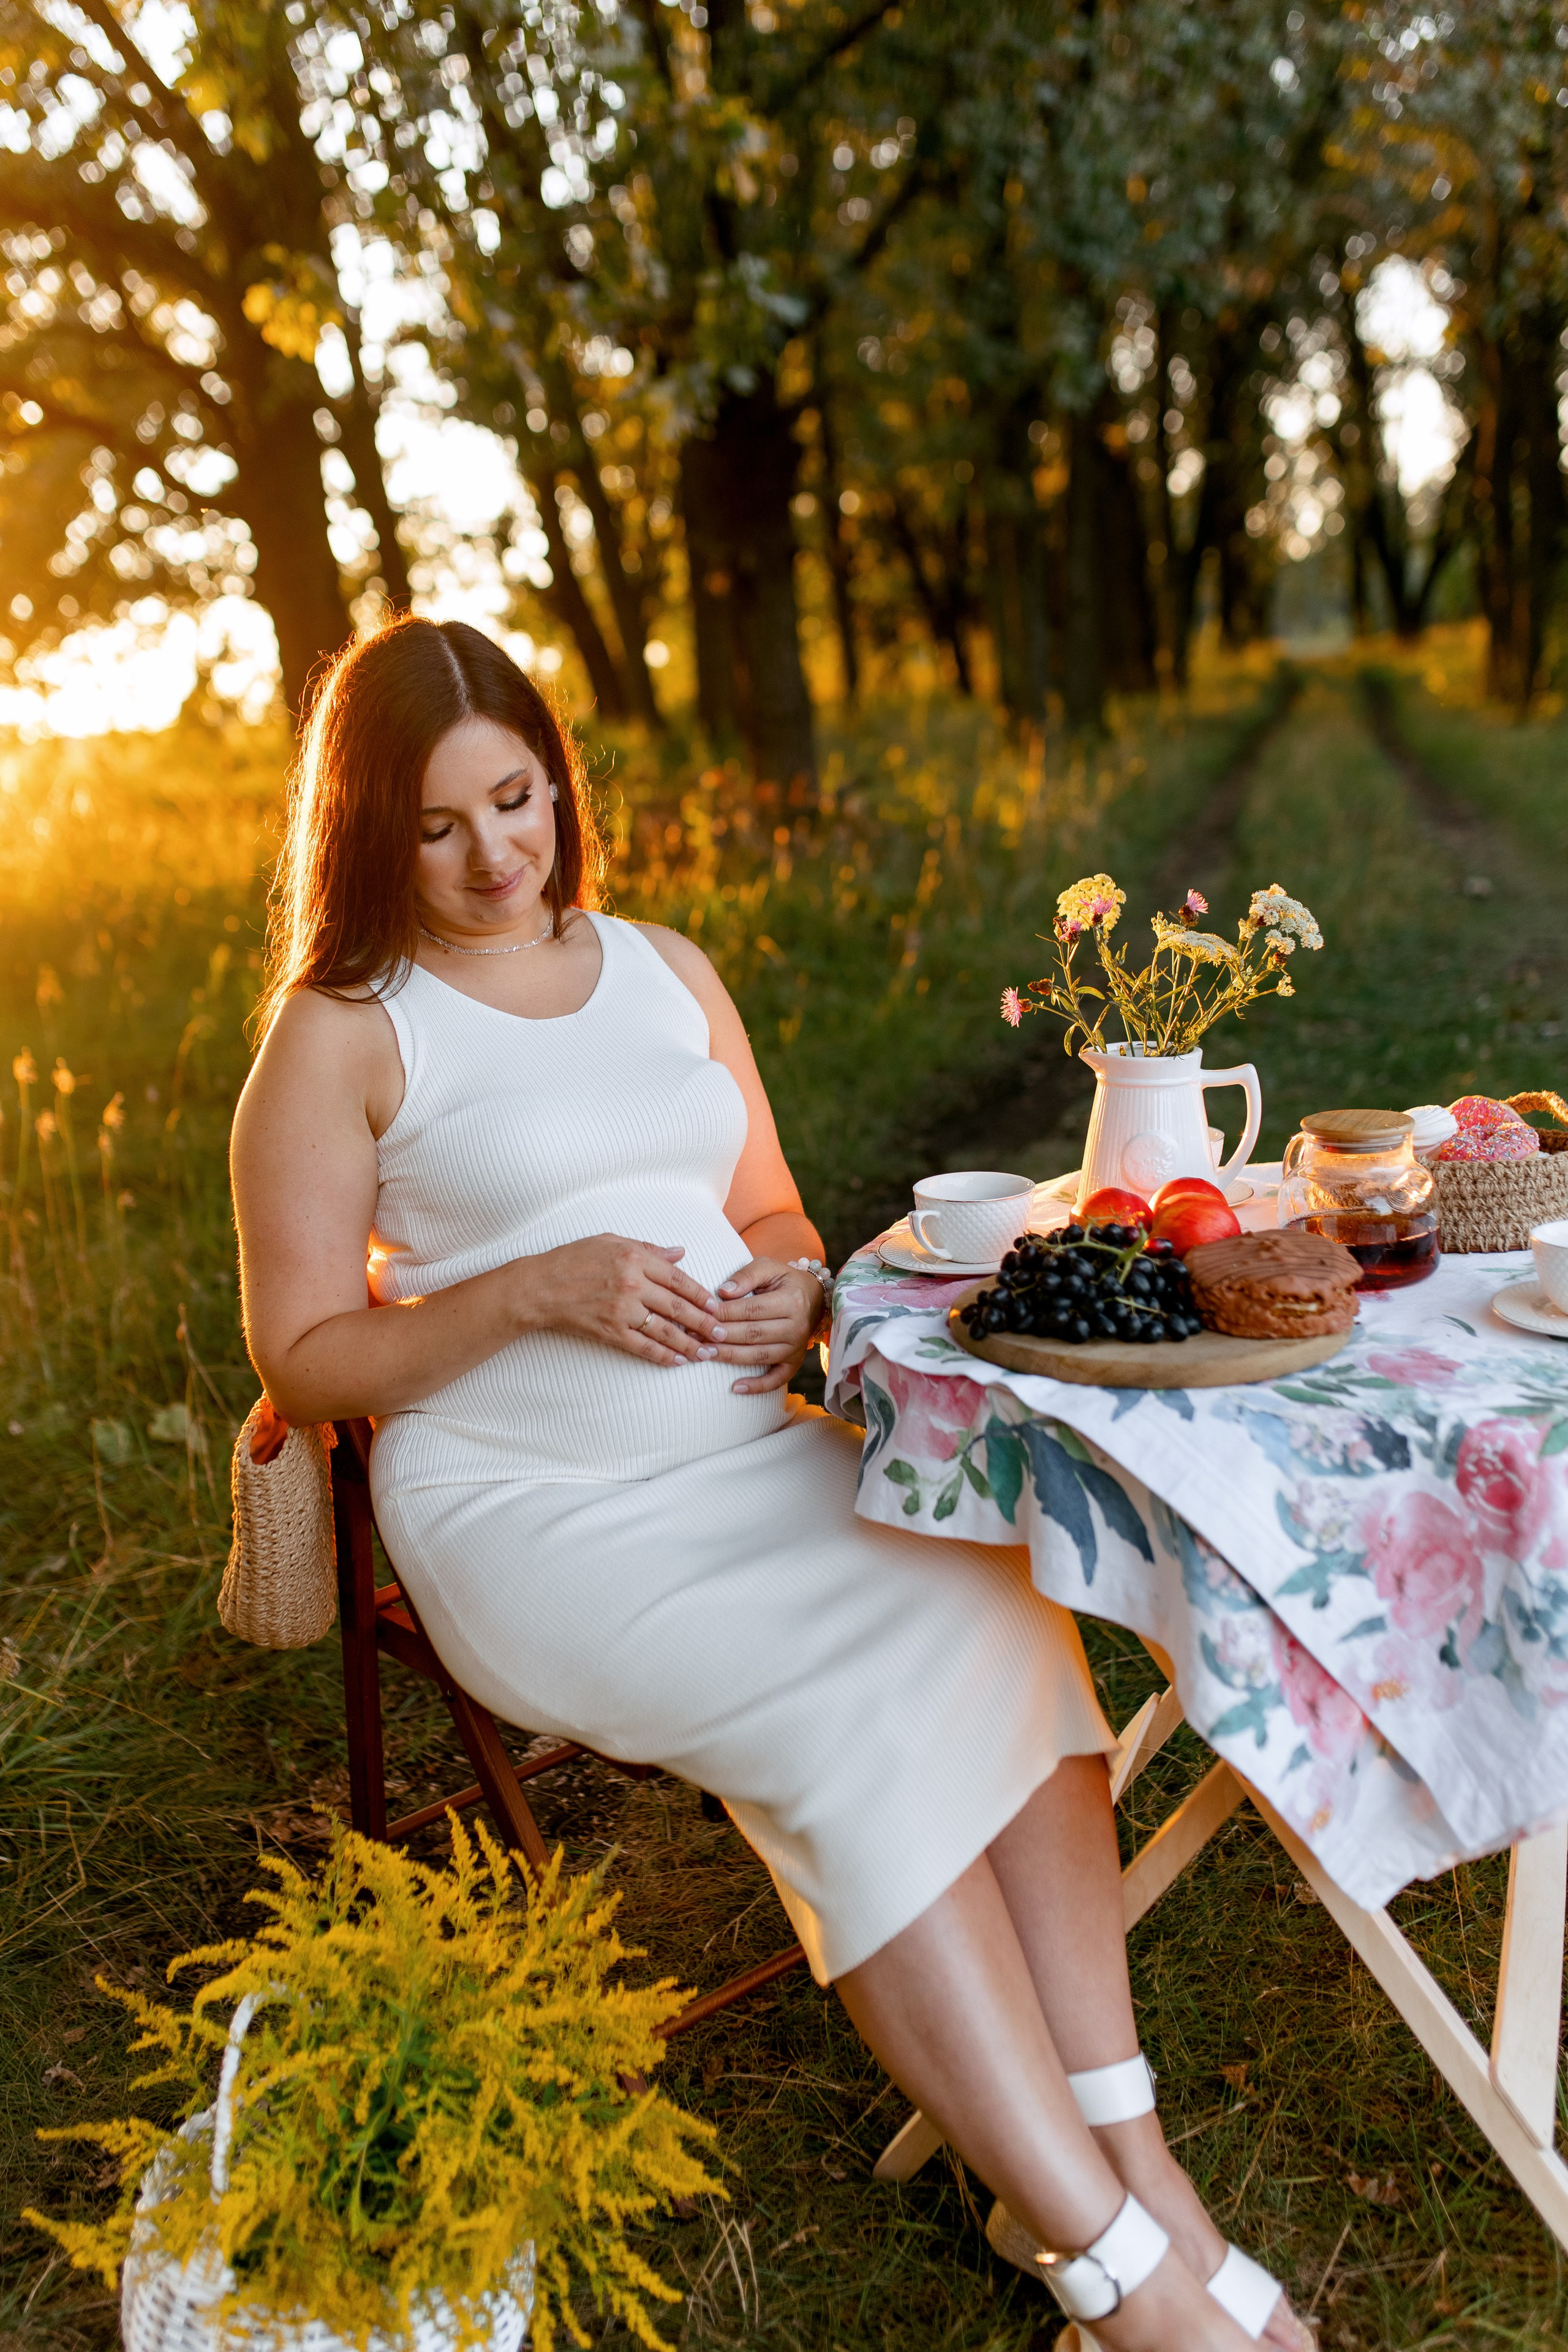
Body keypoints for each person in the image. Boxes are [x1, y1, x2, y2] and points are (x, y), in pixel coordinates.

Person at [231, 617, 1311, 2352]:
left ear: (554, 781)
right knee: (849, 1721)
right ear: (367, 833)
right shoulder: (346, 1032)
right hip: (540, 1517)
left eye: (514, 799)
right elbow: (300, 1353)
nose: (494, 853)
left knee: (1007, 1608)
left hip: (745, 1450)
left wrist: (797, 1285)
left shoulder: (662, 965)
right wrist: (524, 1288)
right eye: (437, 827)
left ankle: (1136, 2166)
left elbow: (774, 1215)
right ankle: (1116, 2277)